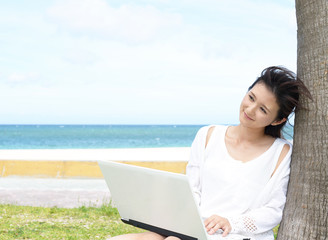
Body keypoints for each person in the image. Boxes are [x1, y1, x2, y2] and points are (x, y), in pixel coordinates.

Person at [108, 66, 311, 240]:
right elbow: (193, 188)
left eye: (263, 110)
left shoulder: (281, 152)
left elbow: (273, 210)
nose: (249, 109)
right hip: (196, 229)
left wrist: (230, 222)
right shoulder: (208, 134)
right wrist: (182, 220)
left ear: (277, 120)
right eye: (251, 97)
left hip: (237, 234)